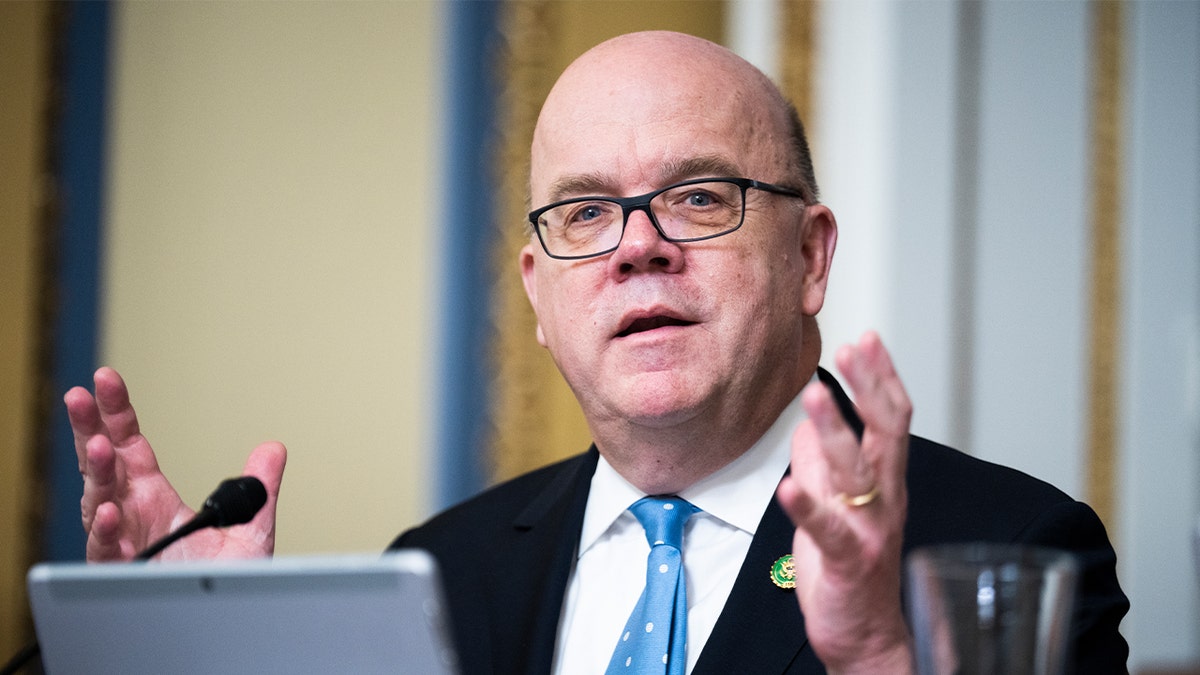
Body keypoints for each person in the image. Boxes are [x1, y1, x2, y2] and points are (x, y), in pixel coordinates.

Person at [66, 31, 1128, 674]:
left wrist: (876, 659)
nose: (637, 246)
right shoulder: (435, 570)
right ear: (538, 294)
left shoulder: (1015, 548)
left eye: (698, 196)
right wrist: (188, 659)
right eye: (583, 214)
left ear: (810, 257)